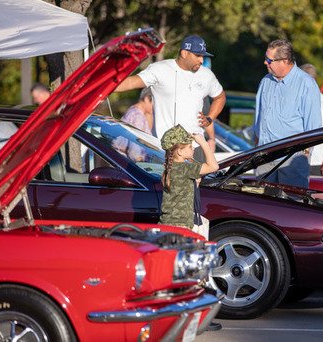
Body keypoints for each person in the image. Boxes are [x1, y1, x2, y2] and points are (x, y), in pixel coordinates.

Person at [114, 35, 226, 161]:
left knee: (197, 181)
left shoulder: (206, 75)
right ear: (184, 53)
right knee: (166, 181)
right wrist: (104, 87)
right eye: (197, 56)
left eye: (203, 56)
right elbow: (131, 83)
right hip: (165, 149)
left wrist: (210, 118)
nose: (201, 60)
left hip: (195, 148)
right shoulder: (160, 69)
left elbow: (220, 97)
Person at [159, 124, 221, 331]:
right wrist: (204, 142)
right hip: (182, 228)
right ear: (178, 151)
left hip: (169, 226)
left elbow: (194, 183)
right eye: (189, 146)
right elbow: (214, 166)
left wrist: (192, 154)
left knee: (176, 276)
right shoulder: (184, 168)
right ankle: (195, 319)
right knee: (192, 274)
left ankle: (177, 318)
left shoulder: (172, 168)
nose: (192, 149)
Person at [253, 40, 321, 188]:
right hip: (264, 159)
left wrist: (303, 155)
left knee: (292, 207)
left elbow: (314, 128)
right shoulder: (265, 81)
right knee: (263, 208)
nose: (265, 62)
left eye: (269, 60)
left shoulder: (306, 84)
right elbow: (258, 120)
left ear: (284, 61)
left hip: (292, 161)